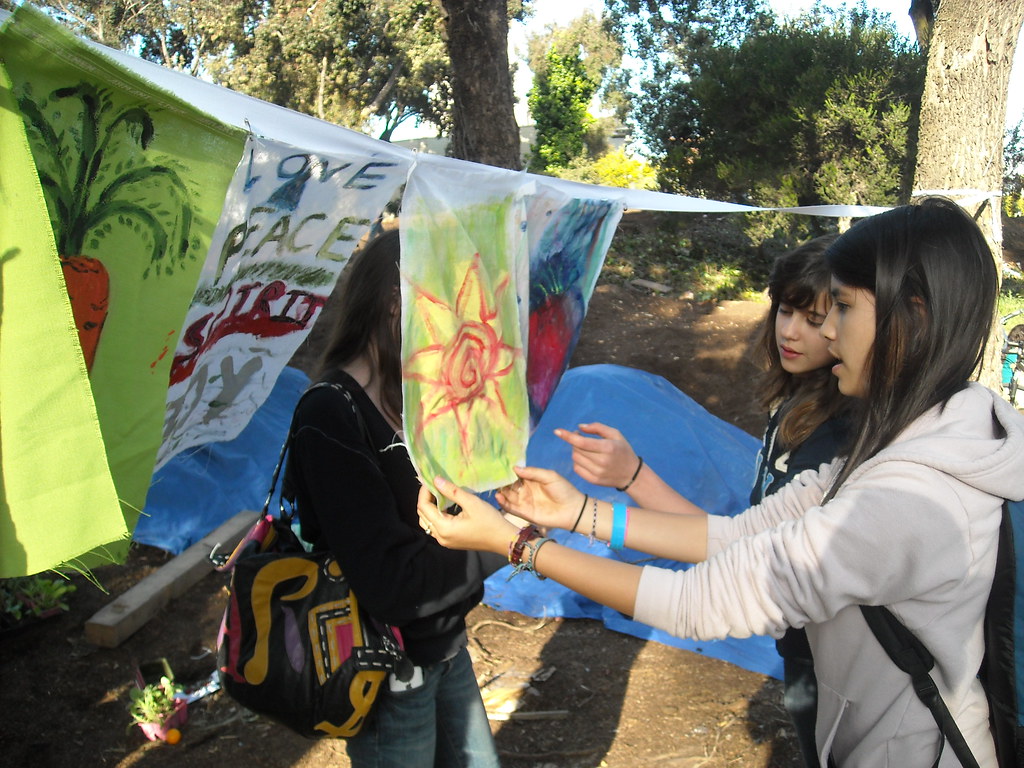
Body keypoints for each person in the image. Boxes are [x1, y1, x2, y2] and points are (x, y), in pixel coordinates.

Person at [417, 197, 1024, 767]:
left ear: (910, 315)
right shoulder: (911, 441)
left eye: (841, 307)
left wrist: (515, 544)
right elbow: (743, 536)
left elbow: (696, 602)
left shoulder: (910, 499)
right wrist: (578, 513)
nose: (825, 331)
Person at [554, 235, 845, 767]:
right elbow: (733, 538)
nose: (790, 331)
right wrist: (631, 475)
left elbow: (734, 569)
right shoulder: (795, 404)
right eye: (784, 310)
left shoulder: (836, 439)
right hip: (800, 648)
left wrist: (529, 547)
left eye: (815, 316)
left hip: (835, 660)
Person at [285, 228, 500, 768]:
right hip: (386, 670)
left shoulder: (410, 397)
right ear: (394, 303)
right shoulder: (330, 415)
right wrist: (503, 543)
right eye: (443, 305)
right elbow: (391, 585)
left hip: (443, 646)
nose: (456, 324)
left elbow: (439, 518)